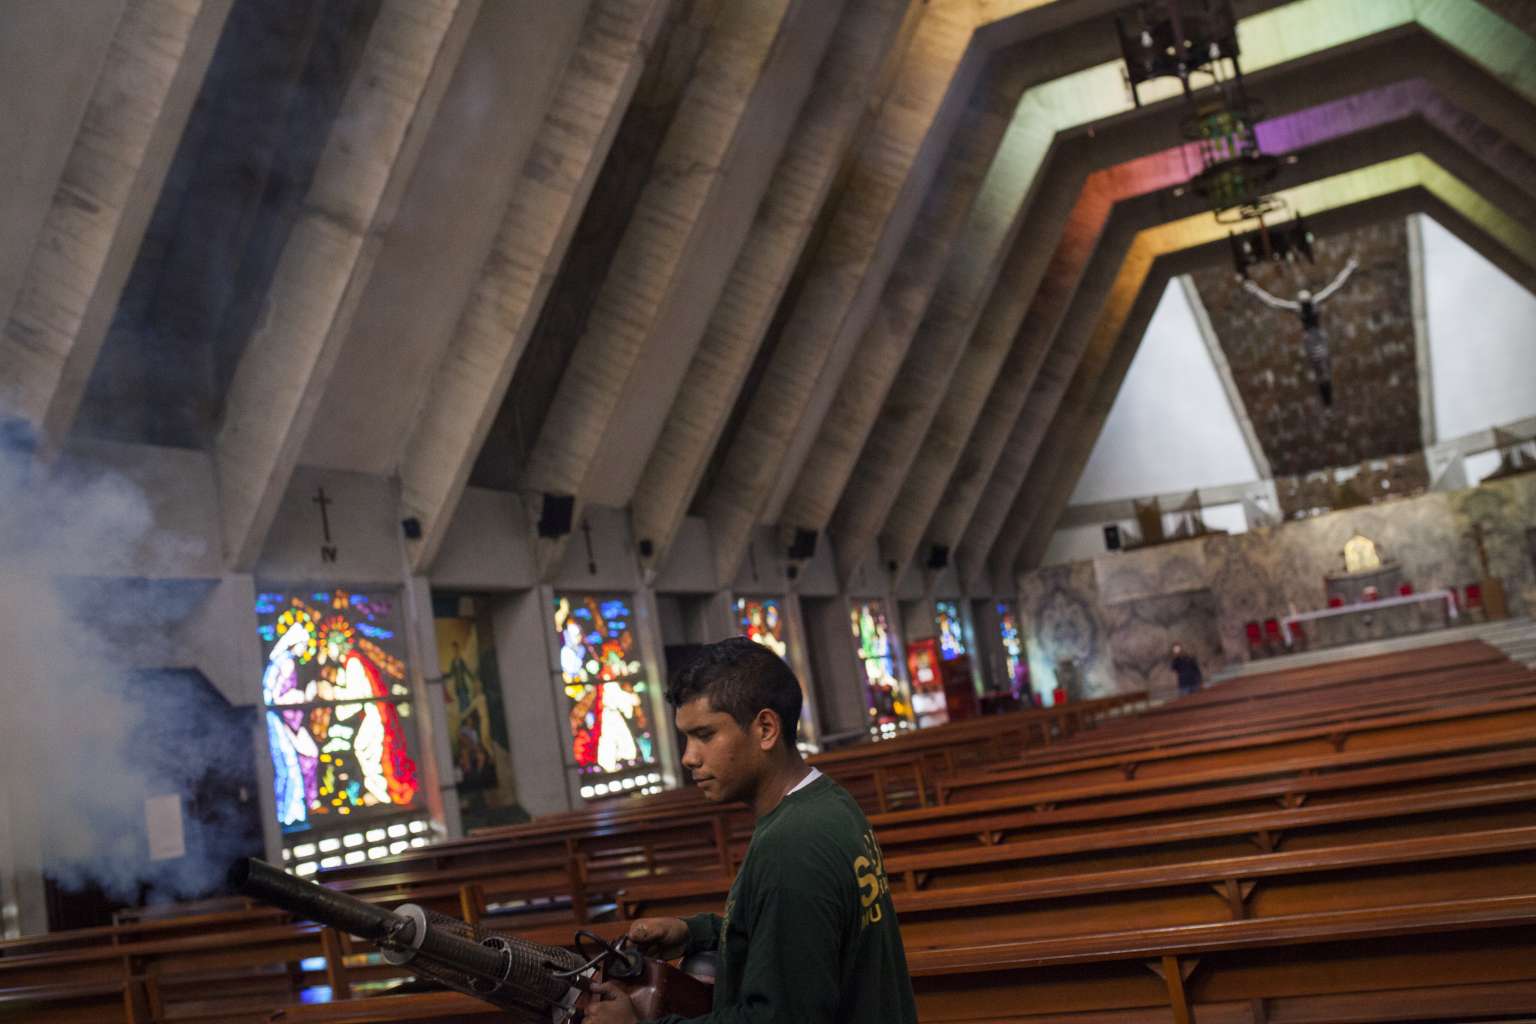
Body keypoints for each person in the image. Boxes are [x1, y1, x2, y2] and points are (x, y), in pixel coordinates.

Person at [584, 636, 917, 1024]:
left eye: (705, 735)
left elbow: (779, 1018)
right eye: (686, 738)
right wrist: (695, 933)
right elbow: (804, 935)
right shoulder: (828, 802)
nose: (689, 757)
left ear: (765, 729)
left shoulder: (792, 845)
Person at [1241, 255, 1358, 406]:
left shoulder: (1312, 303)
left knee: (1323, 365)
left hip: (1315, 337)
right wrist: (1254, 290)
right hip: (1311, 337)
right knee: (1319, 365)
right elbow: (1273, 302)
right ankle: (1325, 394)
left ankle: (1327, 392)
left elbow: (1336, 286)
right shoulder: (1300, 307)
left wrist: (1349, 268)